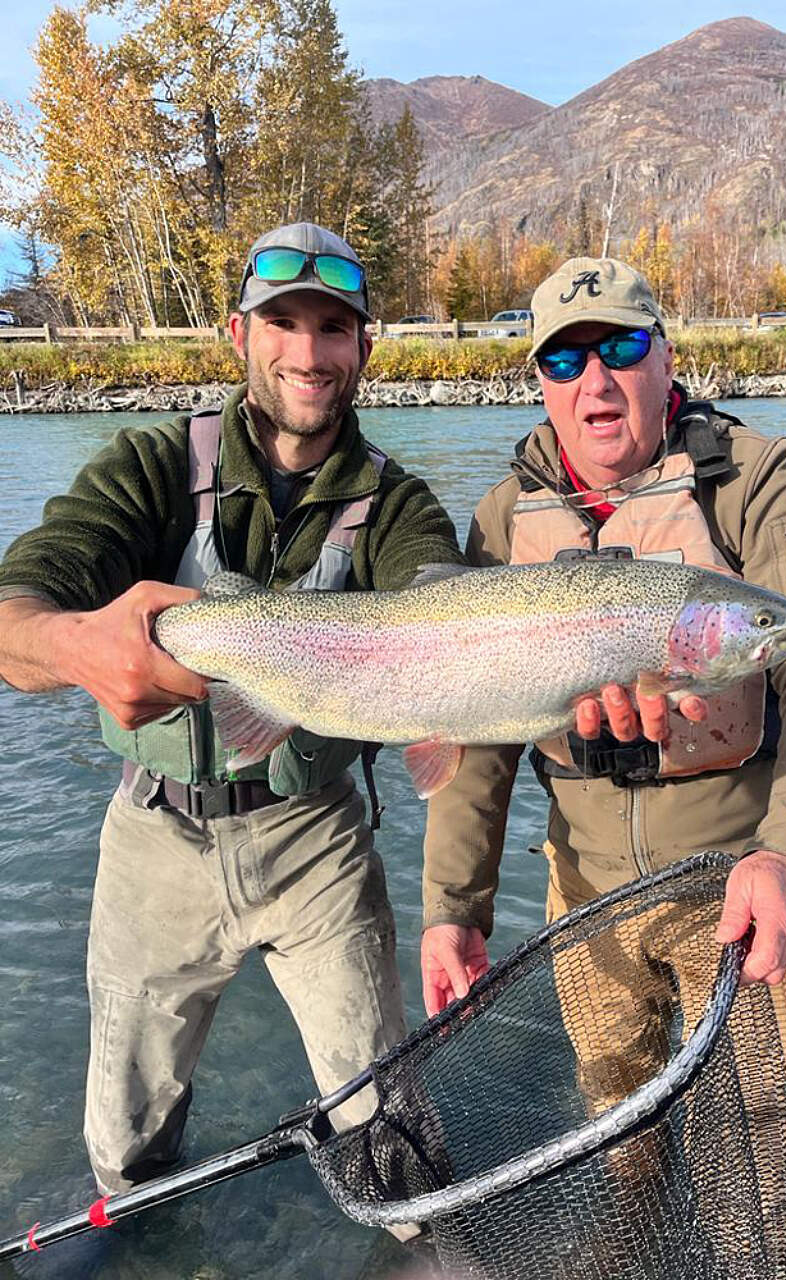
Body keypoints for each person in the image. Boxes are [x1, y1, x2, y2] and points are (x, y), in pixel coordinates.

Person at [0, 222, 466, 1202]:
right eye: (282, 323)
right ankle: (136, 1238)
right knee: (125, 1139)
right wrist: (76, 645)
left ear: (365, 347)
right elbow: (21, 601)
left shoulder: (400, 504)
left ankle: (423, 1236)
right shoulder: (151, 466)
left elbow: (441, 593)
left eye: (333, 326)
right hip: (155, 838)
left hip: (319, 843)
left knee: (390, 1130)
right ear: (236, 335)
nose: (307, 352)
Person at [420, 256, 786, 1110]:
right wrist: (455, 907)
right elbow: (473, 725)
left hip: (736, 881)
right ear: (542, 385)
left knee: (748, 1155)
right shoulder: (500, 517)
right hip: (585, 891)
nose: (593, 378)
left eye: (621, 348)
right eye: (564, 361)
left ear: (666, 359)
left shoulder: (756, 478)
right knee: (617, 1122)